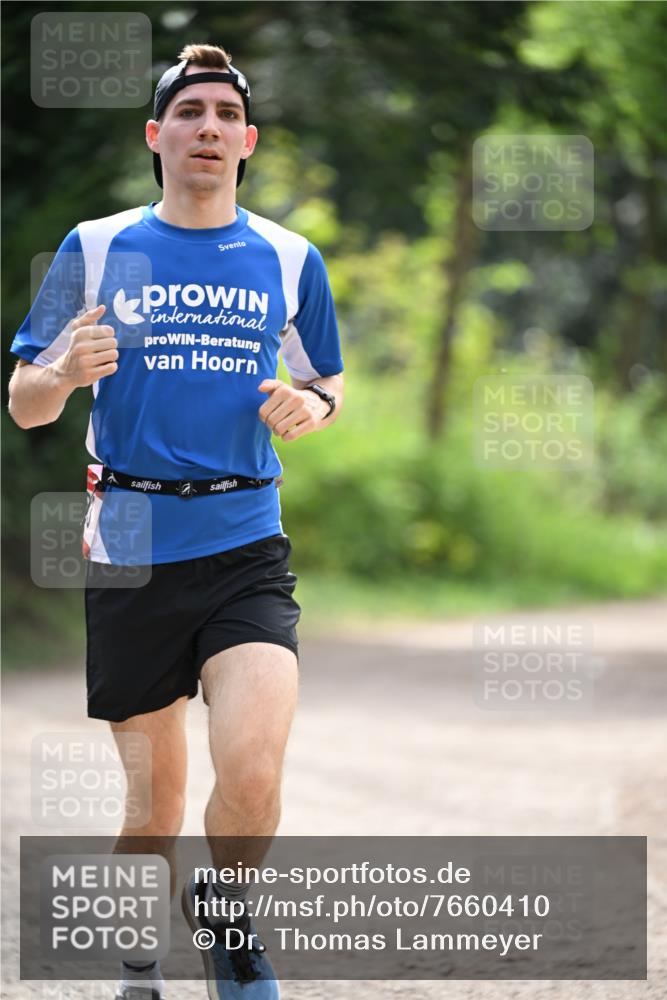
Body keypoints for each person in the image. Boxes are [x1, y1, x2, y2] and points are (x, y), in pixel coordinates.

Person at [8, 42, 344, 1000]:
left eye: (225, 116)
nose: (209, 128)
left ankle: (230, 930)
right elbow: (25, 400)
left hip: (246, 544)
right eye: (189, 113)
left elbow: (325, 379)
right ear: (157, 135)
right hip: (131, 549)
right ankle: (138, 967)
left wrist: (311, 408)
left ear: (248, 141)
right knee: (152, 808)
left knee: (253, 767)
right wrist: (65, 372)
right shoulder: (99, 245)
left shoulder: (289, 257)